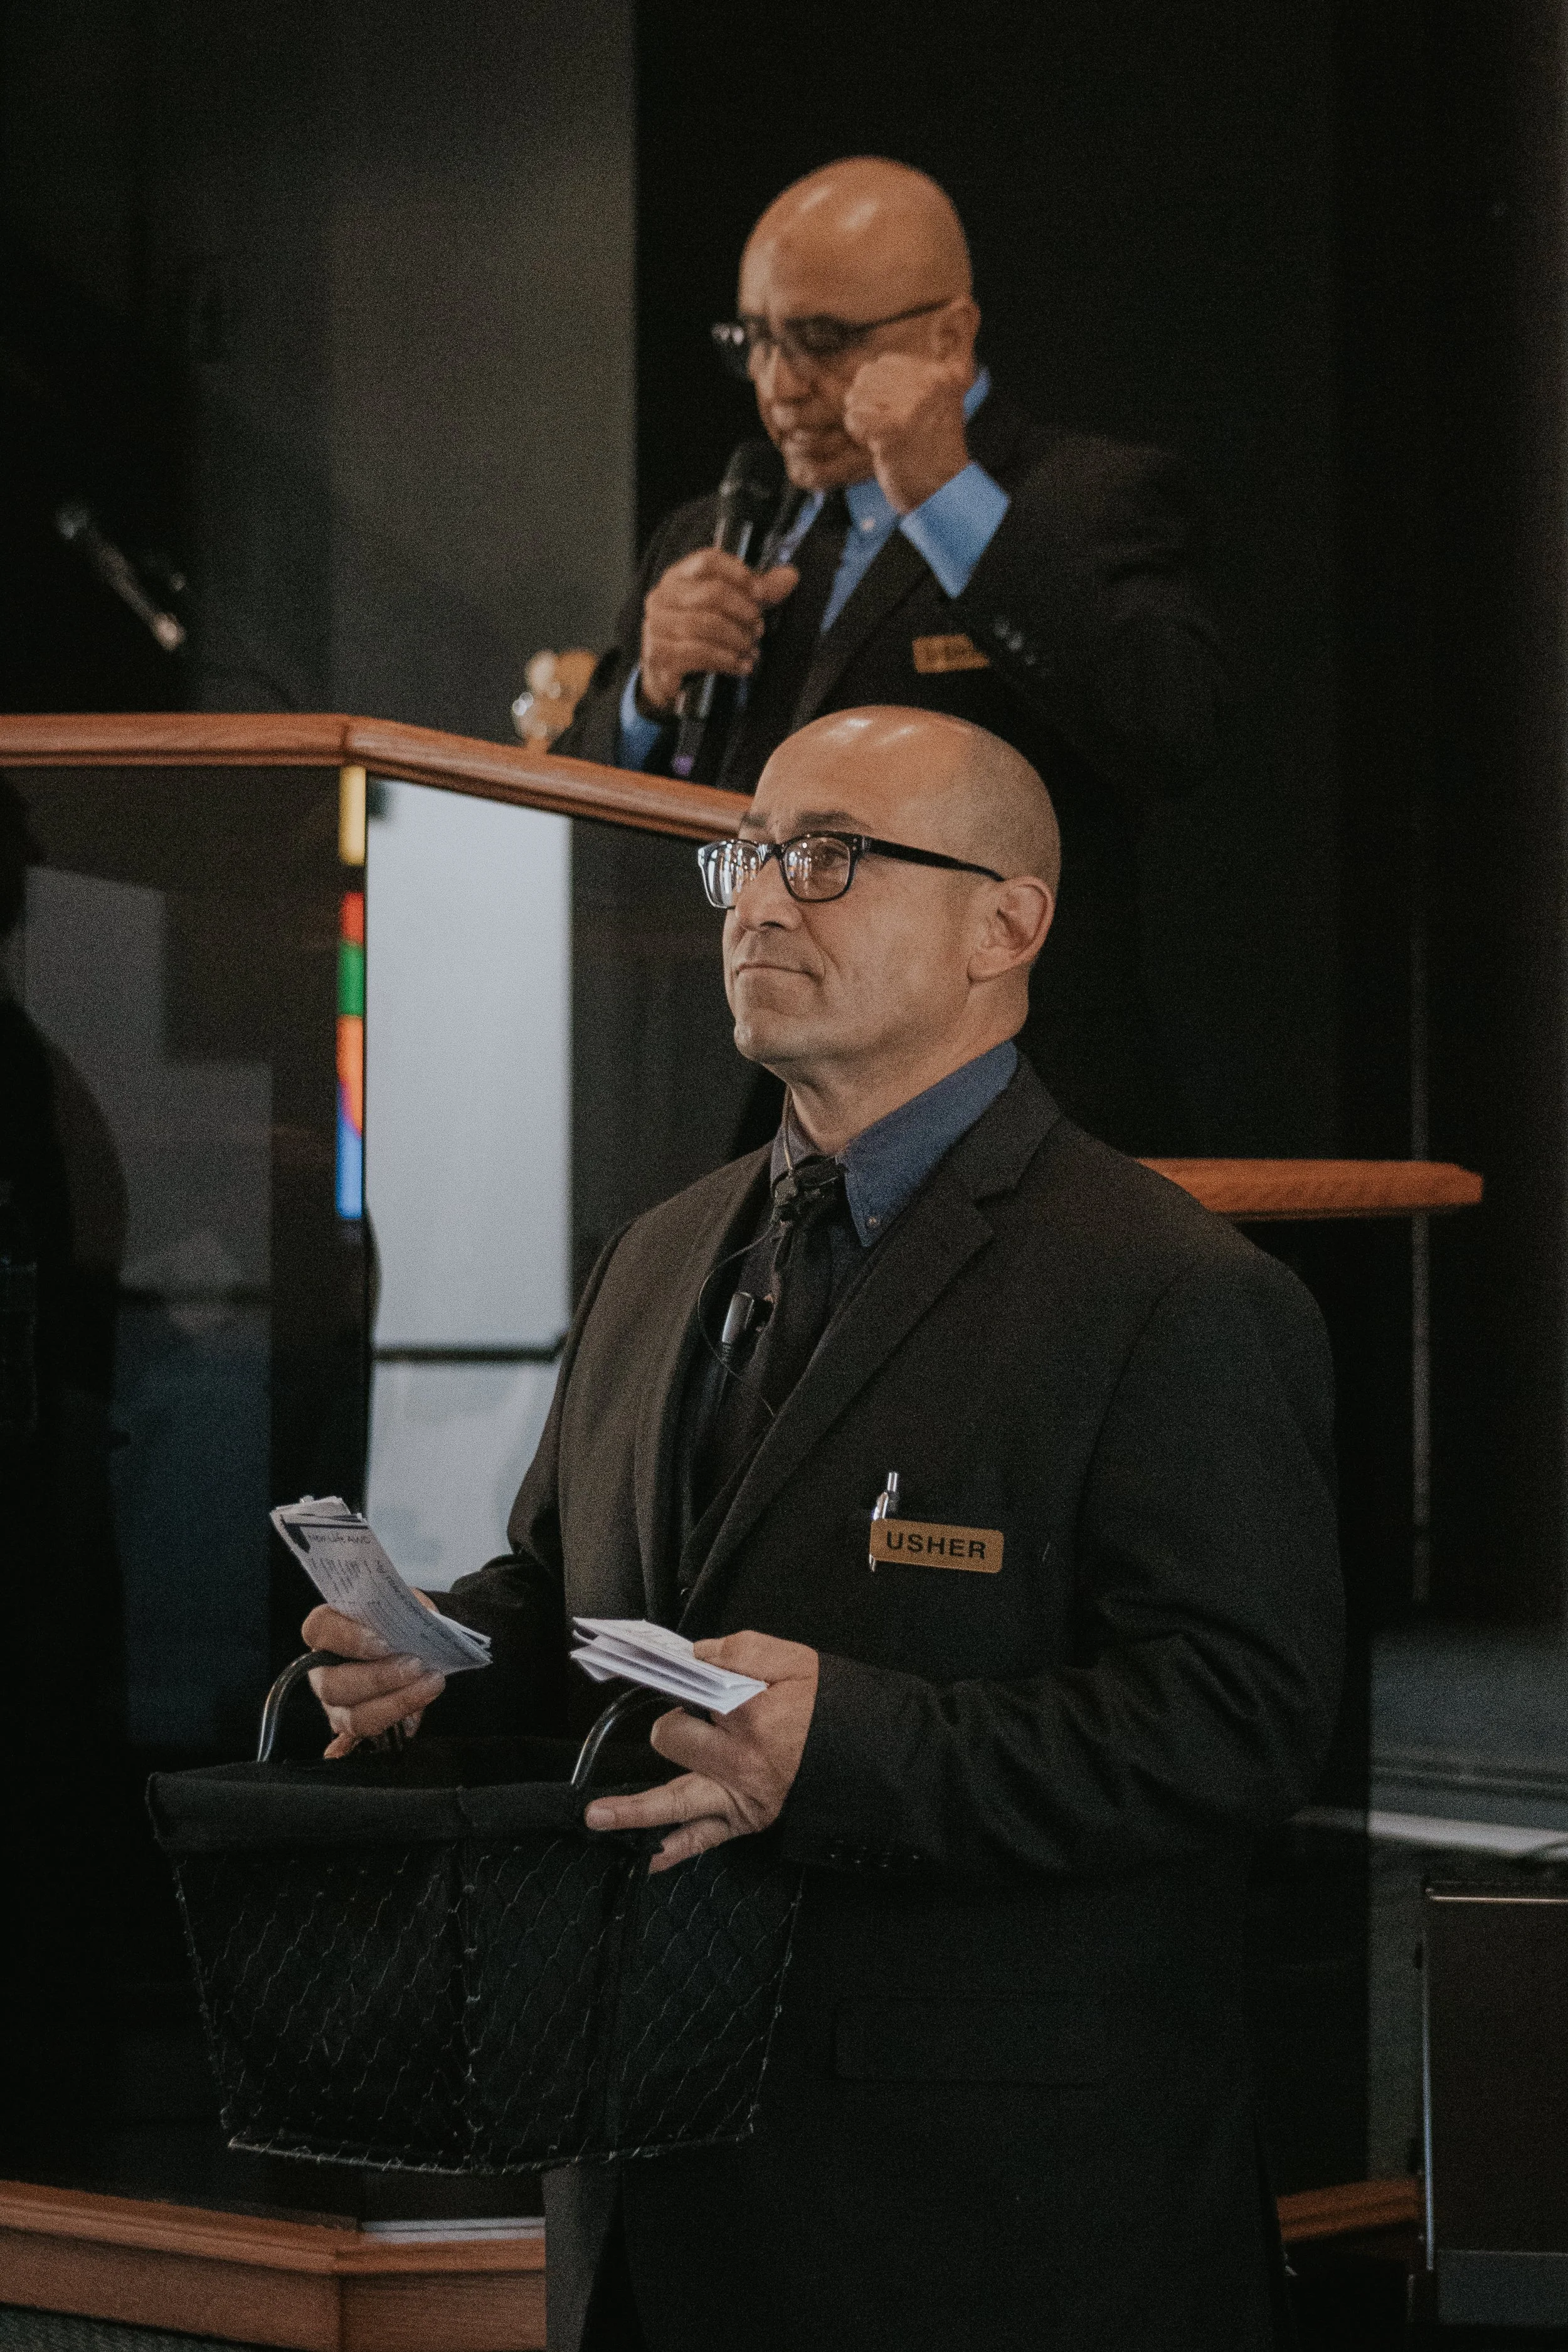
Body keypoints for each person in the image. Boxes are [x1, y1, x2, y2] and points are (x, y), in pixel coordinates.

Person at [306, 706, 1343, 2352]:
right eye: (749, 852)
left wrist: (840, 1744)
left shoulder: (1172, 1294)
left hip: (989, 2222)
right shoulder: (657, 1250)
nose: (761, 902)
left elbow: (1239, 1723)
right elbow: (586, 1592)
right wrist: (439, 1651)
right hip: (648, 2179)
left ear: (1007, 922)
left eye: (832, 856)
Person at [554, 157, 1227, 1152]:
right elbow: (572, 824)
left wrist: (945, 498)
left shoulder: (1084, 499)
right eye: (758, 341)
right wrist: (648, 698)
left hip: (988, 1116)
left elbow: (1173, 725)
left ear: (950, 336)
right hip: (716, 1117)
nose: (782, 386)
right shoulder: (713, 527)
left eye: (822, 341)